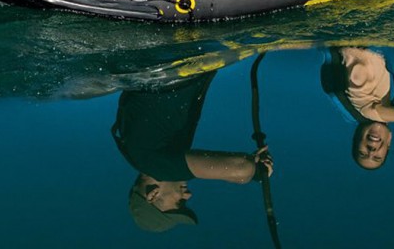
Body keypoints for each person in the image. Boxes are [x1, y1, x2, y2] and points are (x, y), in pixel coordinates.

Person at [111, 72, 274, 233]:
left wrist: (257, 173)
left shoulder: (158, 167)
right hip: (163, 70)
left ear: (153, 195)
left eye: (179, 203)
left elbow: (241, 168)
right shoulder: (136, 152)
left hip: (175, 70)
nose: (188, 195)